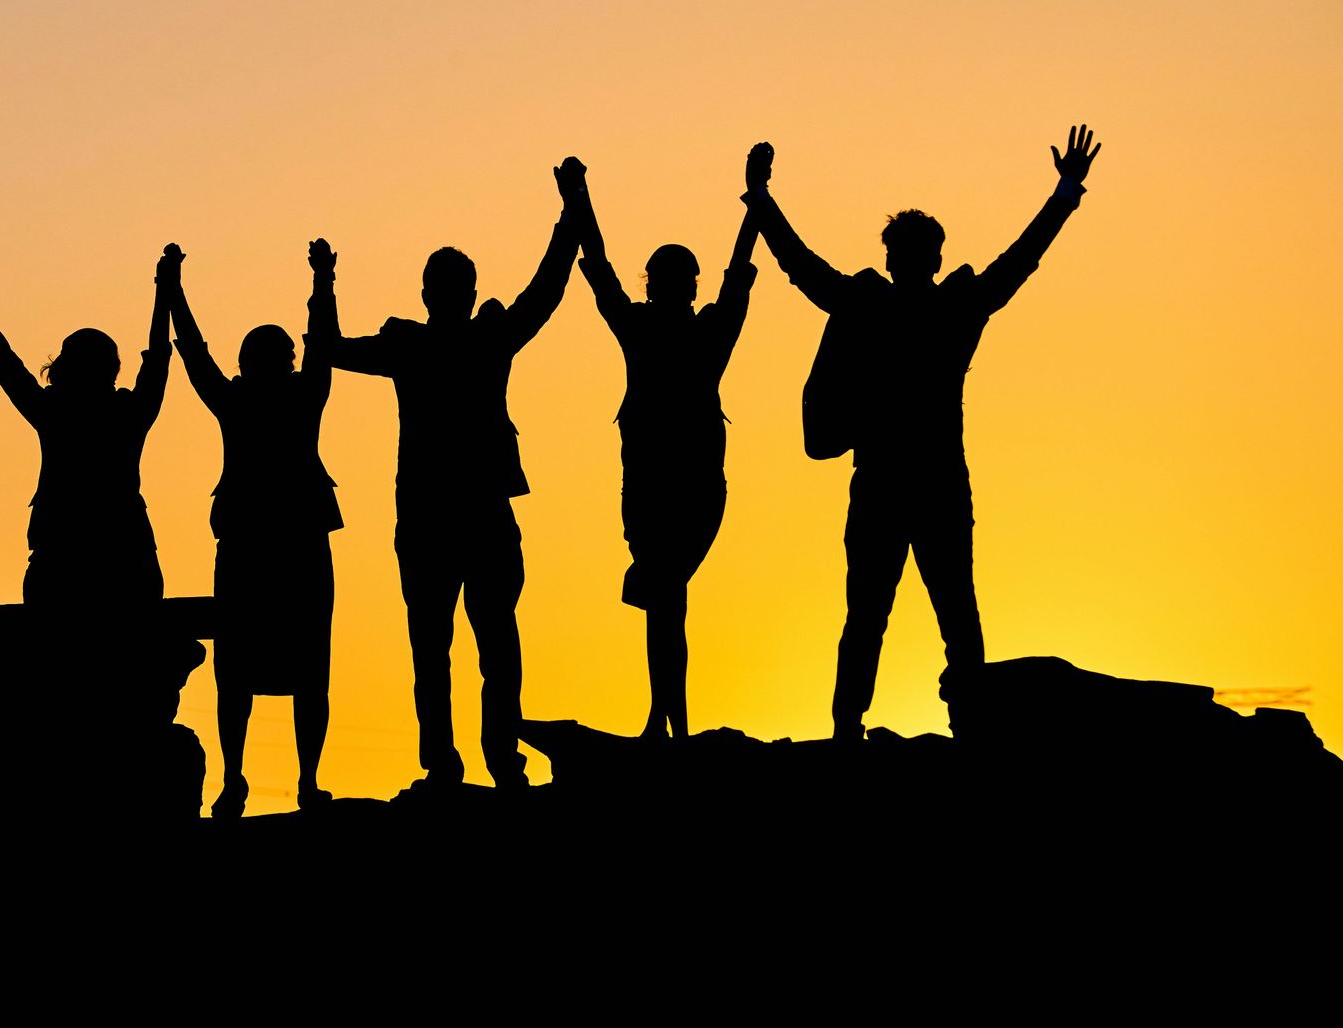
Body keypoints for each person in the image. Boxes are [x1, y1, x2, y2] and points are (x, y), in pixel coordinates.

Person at [742, 126, 1102, 740]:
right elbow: (1021, 259)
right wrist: (1065, 192)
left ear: (894, 257)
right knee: (949, 614)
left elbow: (800, 267)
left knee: (879, 617)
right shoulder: (952, 308)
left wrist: (761, 199)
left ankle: (850, 728)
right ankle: (960, 726)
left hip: (891, 485)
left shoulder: (872, 305)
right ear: (931, 258)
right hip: (926, 486)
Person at [314, 159, 585, 792]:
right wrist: (571, 210)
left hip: (448, 517)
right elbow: (547, 289)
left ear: (435, 294)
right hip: (460, 516)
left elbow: (327, 347)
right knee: (479, 648)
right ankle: (482, 763)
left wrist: (324, 285)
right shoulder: (465, 342)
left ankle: (464, 763)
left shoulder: (430, 346)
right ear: (453, 292)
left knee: (454, 649)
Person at [570, 150, 762, 740]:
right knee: (665, 602)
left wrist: (577, 198)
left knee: (666, 598)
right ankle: (668, 717)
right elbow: (601, 269)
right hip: (657, 489)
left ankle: (667, 718)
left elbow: (735, 271)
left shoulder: (695, 332)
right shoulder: (664, 330)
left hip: (687, 488)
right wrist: (576, 198)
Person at [161, 241, 342, 818]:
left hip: (264, 544)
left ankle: (254, 778)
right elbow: (321, 347)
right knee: (273, 667)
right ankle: (288, 780)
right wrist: (322, 281)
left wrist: (171, 293)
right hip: (282, 544)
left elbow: (194, 355)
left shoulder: (247, 399)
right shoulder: (291, 395)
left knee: (258, 668)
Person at [0, 257, 172, 613]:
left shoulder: (52, 412)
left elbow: (3, 355)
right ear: (115, 368)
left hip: (63, 559)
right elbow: (159, 356)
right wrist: (165, 292)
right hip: (126, 556)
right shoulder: (130, 413)